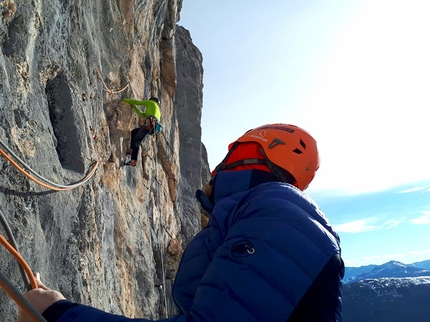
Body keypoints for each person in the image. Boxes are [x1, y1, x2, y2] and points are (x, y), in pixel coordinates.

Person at [18, 123, 344, 322]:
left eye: (224, 160)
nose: (213, 171)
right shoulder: (257, 216)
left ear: (248, 155)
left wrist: (60, 315)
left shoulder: (279, 207)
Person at [123, 97, 161, 166]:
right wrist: (134, 107)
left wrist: (125, 100)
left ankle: (133, 160)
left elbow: (138, 102)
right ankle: (132, 151)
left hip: (149, 124)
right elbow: (141, 114)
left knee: (136, 140)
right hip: (152, 127)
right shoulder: (156, 111)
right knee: (134, 132)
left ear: (152, 100)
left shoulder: (151, 103)